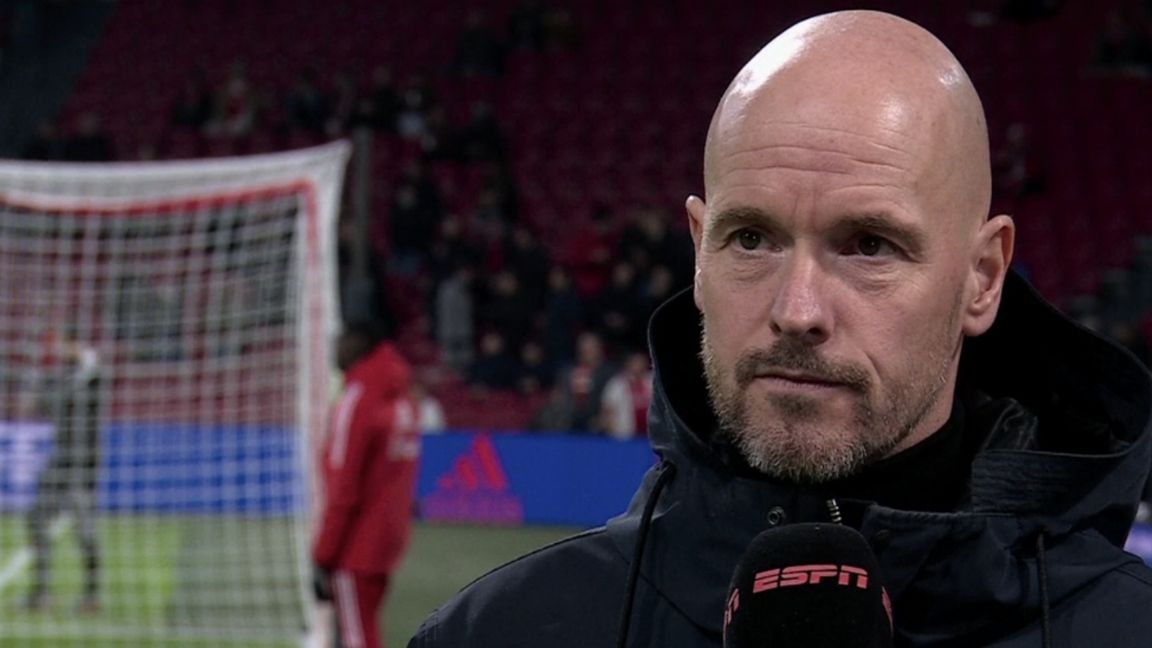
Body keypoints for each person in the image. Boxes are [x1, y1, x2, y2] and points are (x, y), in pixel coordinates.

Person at [409, 10, 1152, 647]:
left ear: (983, 277)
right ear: (699, 254)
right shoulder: (499, 631)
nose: (797, 312)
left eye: (869, 246)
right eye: (751, 239)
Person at [313, 326, 421, 648]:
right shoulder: (401, 396)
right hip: (386, 539)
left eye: (341, 341)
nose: (335, 349)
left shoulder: (359, 399)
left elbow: (345, 487)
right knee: (363, 627)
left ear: (357, 345)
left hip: (357, 544)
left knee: (356, 637)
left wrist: (323, 554)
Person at [25, 328, 103, 613]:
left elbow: (77, 395)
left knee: (84, 529)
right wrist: (39, 390)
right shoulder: (65, 376)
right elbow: (45, 408)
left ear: (76, 345)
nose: (60, 350)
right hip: (60, 458)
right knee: (36, 519)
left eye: (64, 345)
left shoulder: (93, 375)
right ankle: (41, 594)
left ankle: (92, 597)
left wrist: (48, 389)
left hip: (83, 463)